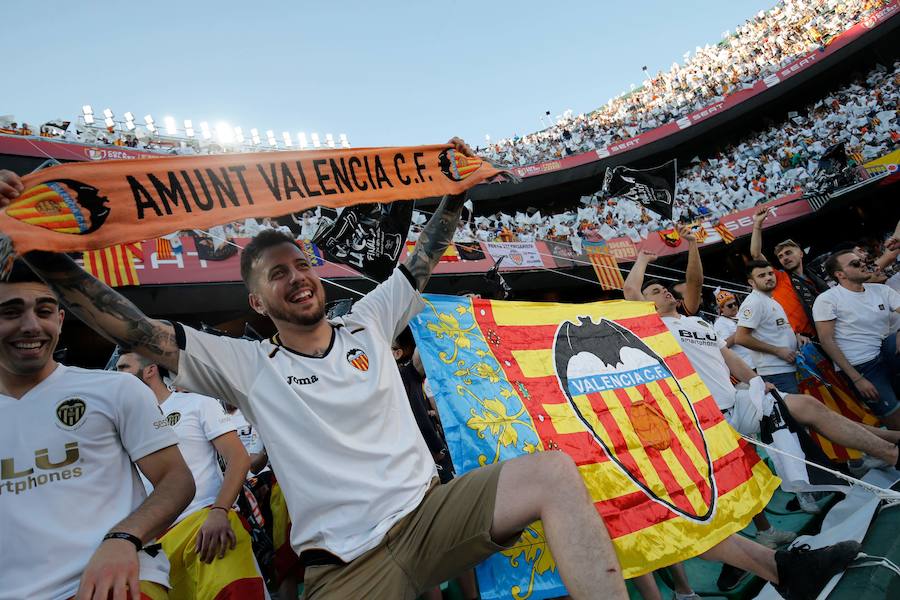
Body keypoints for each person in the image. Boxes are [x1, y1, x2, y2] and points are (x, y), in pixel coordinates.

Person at [2, 143, 633, 599]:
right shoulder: (245, 365)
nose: (297, 277)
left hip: (428, 518)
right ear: (258, 302)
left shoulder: (367, 321)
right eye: (277, 274)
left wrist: (455, 193)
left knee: (552, 472)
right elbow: (133, 329)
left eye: (301, 264)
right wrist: (39, 247)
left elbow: (423, 258)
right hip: (346, 566)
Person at [0, 261, 195, 600]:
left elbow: (176, 480)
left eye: (44, 311)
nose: (31, 325)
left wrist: (124, 538)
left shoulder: (116, 389)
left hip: (121, 584)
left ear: (60, 320)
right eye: (10, 312)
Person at [115, 352, 264, 599]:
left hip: (206, 526)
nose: (116, 374)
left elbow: (238, 459)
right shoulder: (121, 424)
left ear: (150, 370)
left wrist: (219, 511)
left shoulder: (195, 403)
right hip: (155, 544)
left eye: (123, 367)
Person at [814, 249, 900, 430]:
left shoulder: (881, 290)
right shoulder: (827, 299)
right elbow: (826, 341)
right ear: (840, 274)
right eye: (855, 263)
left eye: (862, 260)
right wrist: (857, 379)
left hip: (888, 352)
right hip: (862, 366)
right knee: (895, 421)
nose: (863, 264)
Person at [750, 207, 829, 337]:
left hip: (829, 332)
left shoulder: (815, 278)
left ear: (801, 254)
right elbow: (756, 254)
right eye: (780, 256)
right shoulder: (779, 278)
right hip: (806, 341)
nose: (784, 258)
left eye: (788, 253)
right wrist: (757, 224)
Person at [736, 261, 810, 394]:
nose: (769, 277)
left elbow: (775, 330)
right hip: (776, 373)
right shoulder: (754, 302)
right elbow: (741, 338)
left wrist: (796, 337)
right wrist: (778, 351)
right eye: (761, 275)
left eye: (770, 273)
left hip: (790, 367)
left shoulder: (770, 300)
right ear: (751, 282)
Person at [712, 289, 755, 368]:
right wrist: (741, 330)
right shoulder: (720, 323)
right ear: (722, 308)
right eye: (730, 305)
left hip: (756, 361)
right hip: (745, 364)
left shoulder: (740, 315)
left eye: (735, 304)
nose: (734, 307)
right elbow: (724, 345)